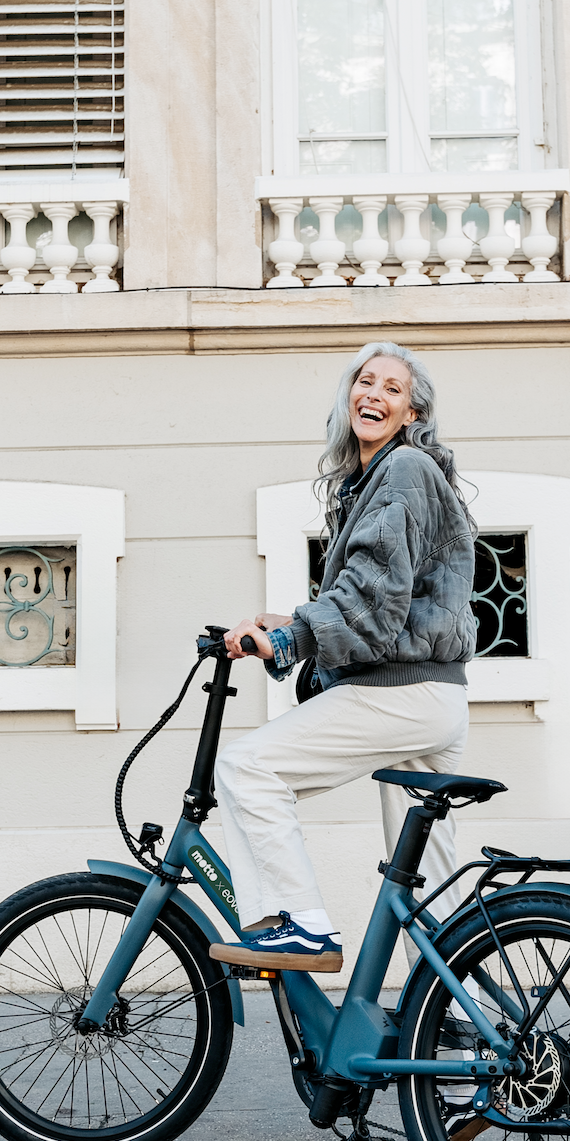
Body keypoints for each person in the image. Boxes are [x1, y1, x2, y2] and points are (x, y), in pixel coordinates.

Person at [208, 340, 478, 976]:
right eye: (365, 381)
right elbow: (382, 595)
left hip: (399, 694)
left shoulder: (405, 470)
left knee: (247, 769)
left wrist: (290, 639)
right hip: (433, 699)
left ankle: (298, 924)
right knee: (429, 892)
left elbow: (371, 602)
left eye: (391, 388)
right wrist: (289, 623)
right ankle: (462, 1039)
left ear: (412, 413)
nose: (374, 394)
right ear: (348, 396)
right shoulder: (374, 483)